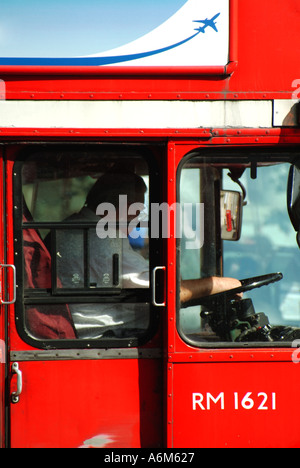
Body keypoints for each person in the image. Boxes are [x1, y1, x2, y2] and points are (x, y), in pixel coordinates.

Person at [54, 171, 242, 339]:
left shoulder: (74, 226)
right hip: (102, 334)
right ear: (119, 205)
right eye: (136, 212)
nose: (137, 221)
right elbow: (167, 290)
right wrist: (220, 284)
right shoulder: (102, 239)